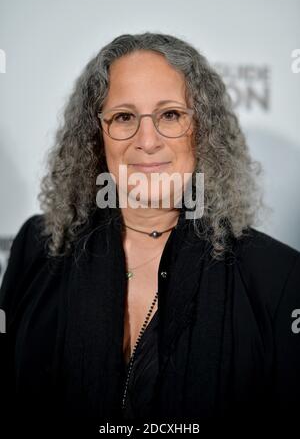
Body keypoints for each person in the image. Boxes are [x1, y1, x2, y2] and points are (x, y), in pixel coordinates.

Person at [0, 32, 299, 437]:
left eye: (170, 115)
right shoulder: (37, 247)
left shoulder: (276, 276)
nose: (147, 140)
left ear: (203, 130)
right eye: (124, 116)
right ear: (96, 135)